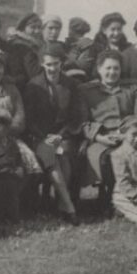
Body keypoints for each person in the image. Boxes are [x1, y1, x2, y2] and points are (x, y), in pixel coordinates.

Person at [77, 49, 137, 212]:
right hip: (101, 138)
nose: (112, 72)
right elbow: (82, 121)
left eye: (116, 68)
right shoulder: (85, 90)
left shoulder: (133, 87)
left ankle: (126, 197)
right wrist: (99, 137)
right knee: (104, 158)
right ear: (99, 69)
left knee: (127, 154)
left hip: (130, 136)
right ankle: (108, 196)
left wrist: (128, 134)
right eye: (108, 68)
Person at [20, 43, 80, 222]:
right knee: (50, 154)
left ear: (61, 63)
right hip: (39, 137)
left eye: (56, 63)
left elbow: (76, 116)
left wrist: (61, 135)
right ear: (42, 65)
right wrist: (45, 137)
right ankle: (68, 206)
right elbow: (29, 119)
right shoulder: (33, 86)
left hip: (64, 135)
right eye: (48, 64)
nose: (52, 68)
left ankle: (61, 203)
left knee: (65, 154)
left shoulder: (71, 85)